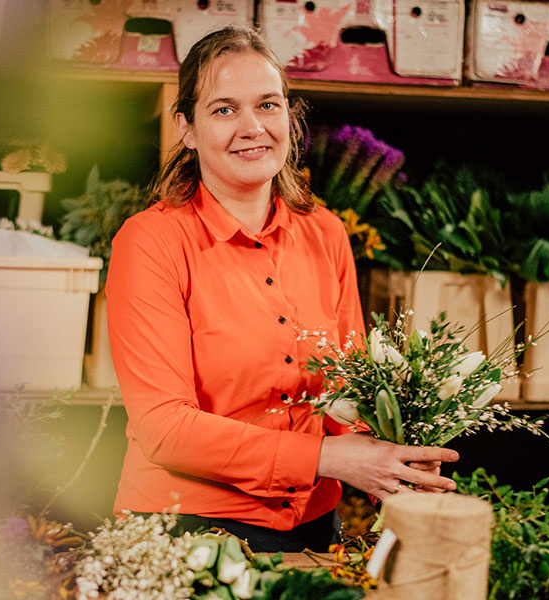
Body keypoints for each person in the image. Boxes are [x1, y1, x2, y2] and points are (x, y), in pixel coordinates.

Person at [105, 25, 459, 552]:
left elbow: (348, 393)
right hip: (185, 530)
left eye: (268, 105)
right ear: (187, 127)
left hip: (313, 525)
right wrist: (328, 460)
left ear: (290, 119)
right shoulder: (151, 242)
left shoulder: (326, 233)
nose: (252, 127)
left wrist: (390, 450)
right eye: (224, 110)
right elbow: (165, 428)